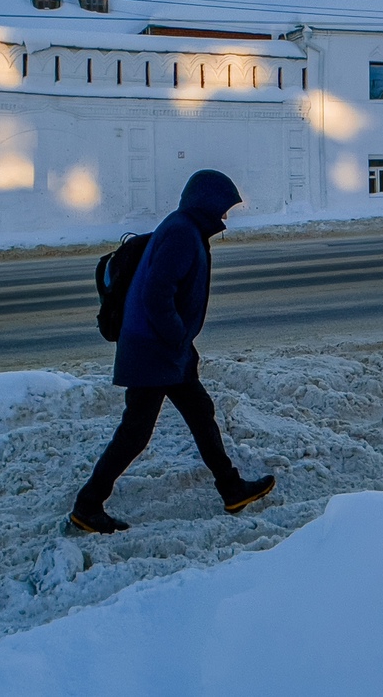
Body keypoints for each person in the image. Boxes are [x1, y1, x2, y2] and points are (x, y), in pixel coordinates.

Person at [70, 169, 275, 534]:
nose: (225, 217)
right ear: (207, 202)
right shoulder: (182, 234)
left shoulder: (185, 228)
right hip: (154, 349)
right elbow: (156, 294)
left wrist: (182, 344)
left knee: (200, 413)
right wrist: (178, 337)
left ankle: (231, 488)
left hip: (165, 348)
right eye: (223, 208)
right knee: (136, 431)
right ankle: (88, 505)